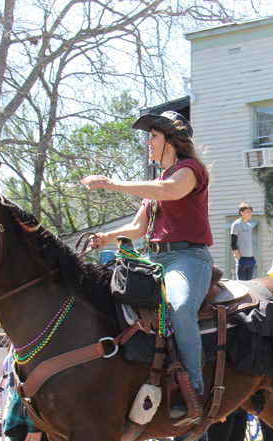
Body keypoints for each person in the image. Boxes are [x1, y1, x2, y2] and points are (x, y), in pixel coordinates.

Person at [81, 111, 213, 422]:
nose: (149, 142)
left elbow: (170, 191)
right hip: (153, 260)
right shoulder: (156, 183)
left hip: (188, 258)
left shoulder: (189, 170)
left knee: (180, 308)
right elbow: (139, 228)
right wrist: (108, 237)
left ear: (171, 141)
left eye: (153, 136)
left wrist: (113, 184)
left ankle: (193, 390)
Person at [231, 203, 256, 280]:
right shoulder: (236, 224)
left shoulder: (249, 226)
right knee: (241, 284)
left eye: (251, 212)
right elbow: (233, 243)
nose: (250, 213)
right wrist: (238, 258)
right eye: (248, 211)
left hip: (250, 259)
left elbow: (249, 242)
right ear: (241, 212)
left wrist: (253, 257)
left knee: (249, 284)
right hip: (242, 259)